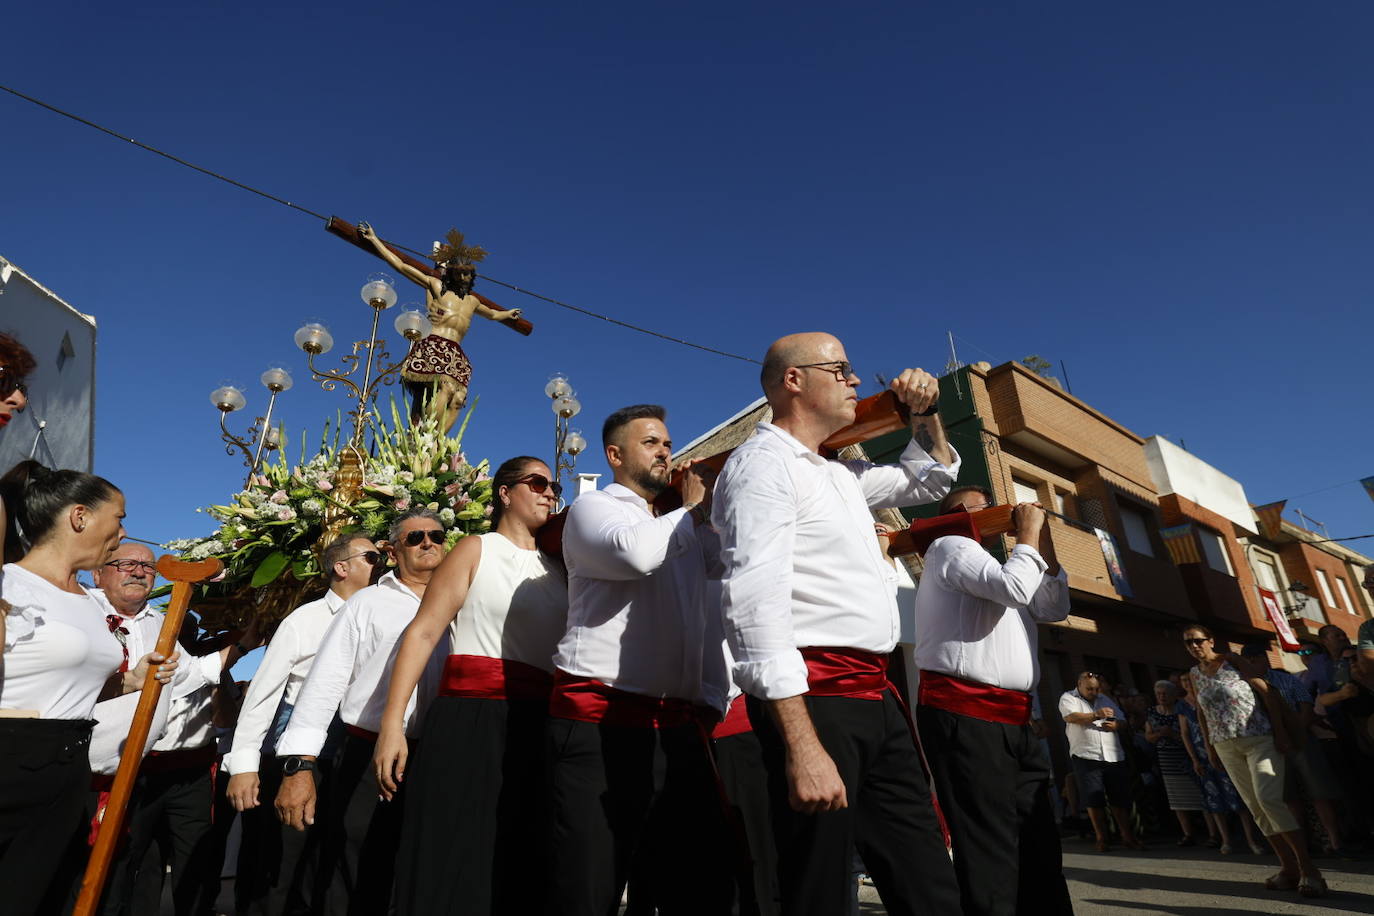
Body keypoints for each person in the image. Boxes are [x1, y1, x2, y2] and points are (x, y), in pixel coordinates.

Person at [714, 332, 962, 916]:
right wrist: (802, 744)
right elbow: (753, 607)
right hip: (816, 699)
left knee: (928, 883)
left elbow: (931, 479)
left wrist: (924, 413)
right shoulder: (760, 467)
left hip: (878, 696)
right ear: (793, 381)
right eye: (842, 368)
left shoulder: (839, 474)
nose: (856, 380)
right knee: (817, 888)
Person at [545, 404, 733, 916]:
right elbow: (636, 555)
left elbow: (714, 601)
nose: (666, 452)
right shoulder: (595, 510)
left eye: (668, 444)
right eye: (651, 443)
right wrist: (692, 509)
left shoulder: (686, 528)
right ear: (614, 455)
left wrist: (714, 695)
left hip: (675, 726)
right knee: (590, 882)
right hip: (601, 723)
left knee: (682, 884)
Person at [374, 457, 567, 916]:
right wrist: (392, 725)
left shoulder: (559, 569)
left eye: (553, 485)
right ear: (504, 492)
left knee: (523, 856)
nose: (549, 492)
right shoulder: (475, 548)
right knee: (456, 850)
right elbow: (422, 632)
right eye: (537, 483)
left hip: (538, 724)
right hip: (469, 718)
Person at [0, 462, 176, 915]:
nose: (121, 532)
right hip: (12, 762)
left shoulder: (85, 600)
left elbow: (75, 681)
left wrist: (133, 679)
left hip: (69, 767)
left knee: (48, 897)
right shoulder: (10, 584)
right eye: (118, 518)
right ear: (80, 517)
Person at [274, 510, 450, 915]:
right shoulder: (367, 604)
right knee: (353, 869)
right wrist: (299, 767)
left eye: (436, 536)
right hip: (368, 753)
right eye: (415, 537)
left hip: (440, 756)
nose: (428, 543)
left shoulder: (464, 601)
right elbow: (323, 686)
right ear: (391, 551)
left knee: (425, 871)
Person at [912, 486, 1073, 916]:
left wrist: (1042, 545)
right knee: (990, 845)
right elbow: (1017, 589)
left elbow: (1052, 606)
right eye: (987, 506)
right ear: (962, 515)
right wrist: (1027, 538)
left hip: (1014, 719)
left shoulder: (1001, 564)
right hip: (967, 712)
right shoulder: (950, 547)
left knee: (1039, 840)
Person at [92, 542, 257, 916]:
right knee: (120, 864)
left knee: (190, 861)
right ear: (97, 573)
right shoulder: (82, 612)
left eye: (148, 567)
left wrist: (245, 644)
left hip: (179, 768)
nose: (138, 571)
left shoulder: (157, 625)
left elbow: (189, 677)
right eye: (126, 564)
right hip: (96, 769)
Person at [225, 533, 379, 915]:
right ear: (341, 567)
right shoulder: (303, 621)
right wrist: (243, 765)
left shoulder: (380, 613)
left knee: (332, 863)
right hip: (299, 759)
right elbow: (263, 694)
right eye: (373, 557)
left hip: (355, 755)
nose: (383, 563)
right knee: (280, 866)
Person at [1184, 625, 1326, 897]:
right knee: (1255, 807)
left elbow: (1267, 692)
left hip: (1259, 738)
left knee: (1268, 798)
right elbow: (1201, 711)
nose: (1194, 646)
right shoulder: (1193, 673)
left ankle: (1309, 870)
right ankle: (1288, 869)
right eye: (1188, 643)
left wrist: (1281, 731)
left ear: (1211, 640)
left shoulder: (1232, 661)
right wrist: (1210, 746)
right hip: (1225, 745)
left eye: (1198, 640)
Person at [357, 221, 522, 432]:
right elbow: (401, 265)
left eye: (467, 273)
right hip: (434, 344)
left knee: (458, 398)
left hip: (456, 352)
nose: (463, 276)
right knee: (444, 387)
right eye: (459, 272)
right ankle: (424, 436)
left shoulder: (473, 302)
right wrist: (374, 240)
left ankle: (436, 442)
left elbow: (492, 314)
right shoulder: (438, 287)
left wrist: (508, 313)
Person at [1239, 642, 1349, 857]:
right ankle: (1302, 846)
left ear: (1265, 658)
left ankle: (1335, 842)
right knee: (1287, 796)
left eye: (1257, 659)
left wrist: (1294, 734)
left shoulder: (1286, 679)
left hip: (1300, 739)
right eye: (1249, 661)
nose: (1254, 664)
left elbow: (1306, 706)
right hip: (1268, 746)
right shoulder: (1244, 687)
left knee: (1319, 792)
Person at [1176, 671, 1263, 853]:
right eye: (1182, 681)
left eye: (1188, 679)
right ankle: (1226, 840)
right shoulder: (1182, 705)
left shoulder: (1209, 695)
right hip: (1201, 754)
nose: (1186, 683)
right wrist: (1194, 758)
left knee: (1238, 794)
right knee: (1214, 798)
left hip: (1222, 747)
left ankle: (1252, 840)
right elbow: (1185, 733)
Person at [1059, 673, 1142, 852]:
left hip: (1112, 754)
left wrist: (1117, 726)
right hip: (1086, 755)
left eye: (1096, 689)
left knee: (1119, 797)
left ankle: (1127, 837)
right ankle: (1102, 838)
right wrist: (1096, 715)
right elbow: (1071, 717)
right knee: (1093, 799)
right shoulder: (1068, 697)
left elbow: (1123, 721)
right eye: (1089, 689)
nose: (1094, 692)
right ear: (1079, 684)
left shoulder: (1104, 698)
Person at [1144, 680, 1206, 844]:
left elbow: (1191, 733)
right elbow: (1148, 736)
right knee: (1176, 797)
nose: (1161, 697)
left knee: (1199, 793)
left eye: (1165, 693)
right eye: (1158, 694)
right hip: (1165, 758)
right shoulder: (1151, 712)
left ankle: (1211, 831)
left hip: (1186, 755)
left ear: (1173, 695)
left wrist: (1173, 734)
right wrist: (1159, 735)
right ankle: (1188, 833)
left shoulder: (1182, 709)